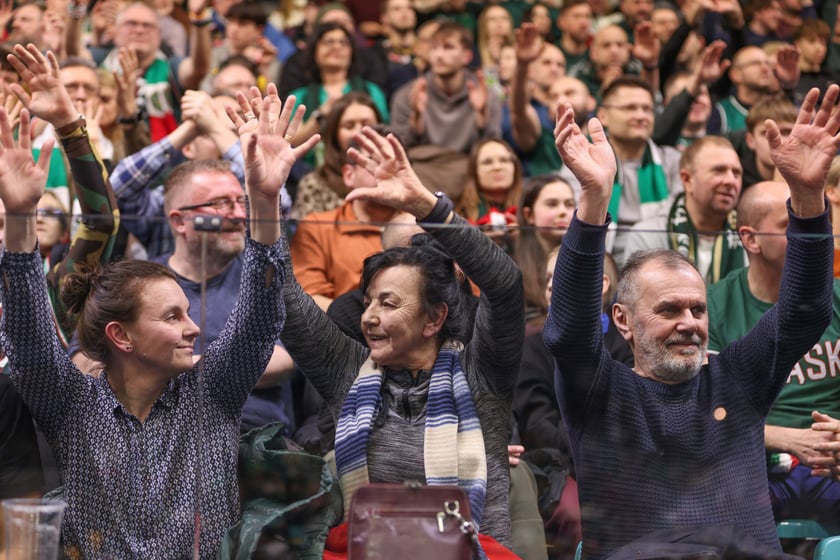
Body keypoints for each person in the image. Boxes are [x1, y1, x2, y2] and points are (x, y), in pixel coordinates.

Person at [0, 51, 319, 557]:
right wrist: (18, 216)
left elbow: (259, 321)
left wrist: (263, 201)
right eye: (173, 316)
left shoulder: (210, 393)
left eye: (188, 313)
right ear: (120, 336)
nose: (194, 329)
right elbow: (27, 332)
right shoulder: (71, 402)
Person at [544, 82, 839, 559]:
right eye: (668, 310)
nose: (690, 323)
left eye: (698, 310)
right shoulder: (599, 393)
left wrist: (806, 199)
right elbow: (570, 330)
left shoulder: (737, 378)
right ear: (622, 320)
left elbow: (805, 312)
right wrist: (595, 199)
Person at [240, 109, 524, 554]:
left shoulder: (481, 371)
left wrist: (428, 208)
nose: (368, 316)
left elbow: (505, 286)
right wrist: (262, 199)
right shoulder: (348, 367)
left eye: (388, 304)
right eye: (369, 300)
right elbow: (284, 298)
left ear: (434, 319)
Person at [707, 180, 840, 526]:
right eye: (789, 225)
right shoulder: (713, 307)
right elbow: (702, 410)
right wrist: (785, 438)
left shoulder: (837, 296)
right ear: (750, 239)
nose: (805, 235)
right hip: (755, 463)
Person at [622, 136, 747, 282]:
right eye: (718, 170)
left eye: (736, 173)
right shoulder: (647, 236)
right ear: (687, 180)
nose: (730, 181)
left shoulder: (750, 238)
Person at [292, 91, 383, 220]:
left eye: (366, 125)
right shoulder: (314, 184)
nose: (358, 133)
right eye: (349, 126)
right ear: (334, 134)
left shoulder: (393, 178)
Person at [513, 176, 576, 325]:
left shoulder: (582, 258)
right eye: (552, 204)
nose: (563, 212)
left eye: (569, 204)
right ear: (528, 215)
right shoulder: (511, 262)